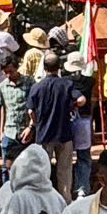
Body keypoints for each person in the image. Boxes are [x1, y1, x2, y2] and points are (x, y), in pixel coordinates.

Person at [28, 57, 81, 202]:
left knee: (42, 172)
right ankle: (66, 203)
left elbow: (31, 111)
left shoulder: (37, 87)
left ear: (44, 68)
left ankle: (44, 201)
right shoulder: (67, 84)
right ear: (59, 67)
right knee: (64, 172)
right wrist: (72, 105)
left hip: (44, 135)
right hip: (64, 134)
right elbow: (81, 100)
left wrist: (35, 123)